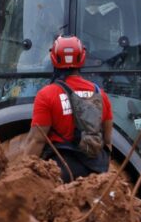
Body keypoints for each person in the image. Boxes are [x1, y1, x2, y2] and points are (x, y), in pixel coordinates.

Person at [23, 35, 113, 182]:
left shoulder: (47, 94)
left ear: (53, 58)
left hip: (62, 171)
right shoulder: (100, 94)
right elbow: (108, 139)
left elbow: (37, 140)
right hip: (96, 172)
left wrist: (23, 173)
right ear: (82, 58)